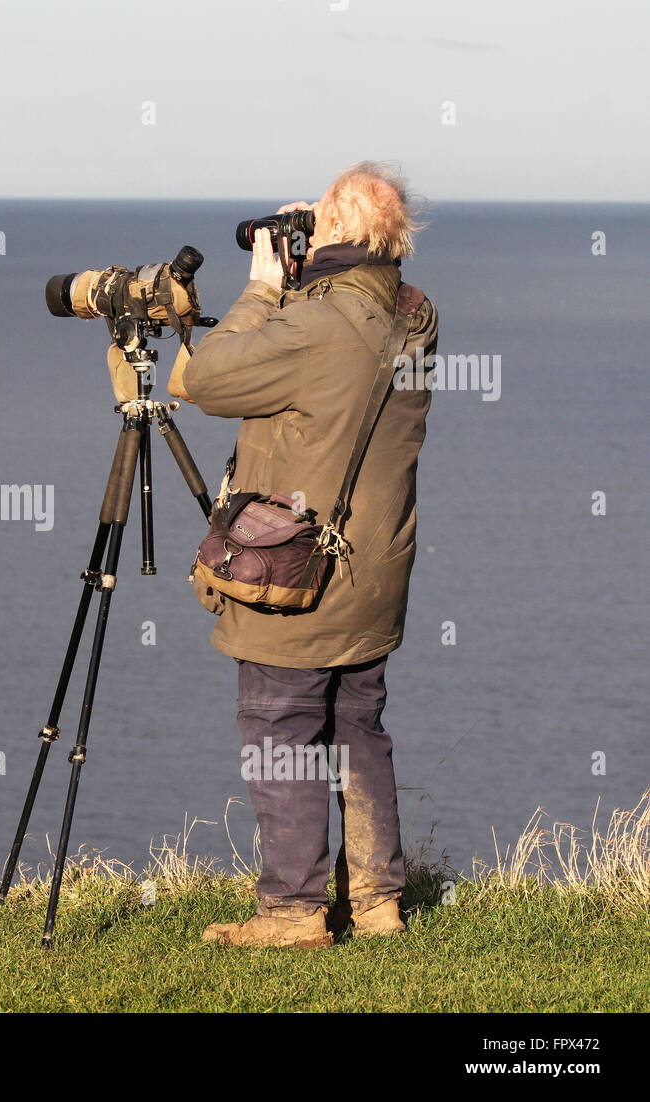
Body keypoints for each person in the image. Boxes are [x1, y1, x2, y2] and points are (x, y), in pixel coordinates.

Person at [170, 162, 439, 948]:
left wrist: (262, 284)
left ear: (340, 235)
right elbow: (335, 369)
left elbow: (212, 378)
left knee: (281, 725)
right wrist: (316, 261)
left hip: (299, 574)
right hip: (376, 572)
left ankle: (291, 912)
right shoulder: (416, 317)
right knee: (359, 724)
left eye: (318, 219)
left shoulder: (316, 327)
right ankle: (379, 901)